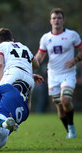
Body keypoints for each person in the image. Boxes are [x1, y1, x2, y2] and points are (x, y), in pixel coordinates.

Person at [35, 8, 82, 139]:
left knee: (65, 99)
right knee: (60, 107)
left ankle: (71, 127)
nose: (57, 20)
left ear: (63, 20)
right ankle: (69, 130)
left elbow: (81, 51)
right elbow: (40, 56)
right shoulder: (46, 38)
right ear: (50, 21)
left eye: (59, 18)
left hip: (68, 73)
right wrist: (31, 64)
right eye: (54, 18)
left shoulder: (72, 35)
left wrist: (76, 59)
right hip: (53, 75)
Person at [0, 28, 39, 107]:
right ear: (12, 40)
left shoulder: (0, 46)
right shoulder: (23, 47)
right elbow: (36, 64)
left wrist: (1, 84)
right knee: (25, 104)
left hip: (13, 73)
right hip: (29, 77)